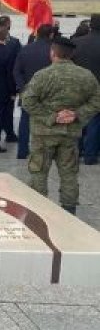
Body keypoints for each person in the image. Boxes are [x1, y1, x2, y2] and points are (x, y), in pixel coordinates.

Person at [22, 37, 100, 214]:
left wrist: (52, 117)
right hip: (70, 134)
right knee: (69, 174)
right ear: (71, 55)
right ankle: (69, 211)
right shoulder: (85, 75)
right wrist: (76, 114)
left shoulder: (43, 75)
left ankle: (38, 211)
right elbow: (96, 101)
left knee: (39, 172)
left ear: (52, 53)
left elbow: (27, 101)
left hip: (43, 134)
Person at [13, 23, 53, 159]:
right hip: (48, 92)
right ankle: (45, 151)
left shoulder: (25, 49)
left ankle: (22, 151)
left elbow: (16, 71)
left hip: (28, 90)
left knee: (25, 121)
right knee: (48, 122)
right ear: (51, 35)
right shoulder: (54, 51)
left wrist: (22, 87)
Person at [72, 14, 100, 165]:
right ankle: (90, 155)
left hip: (78, 88)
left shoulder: (76, 43)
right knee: (95, 121)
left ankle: (77, 151)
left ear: (90, 26)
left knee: (78, 119)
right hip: (98, 89)